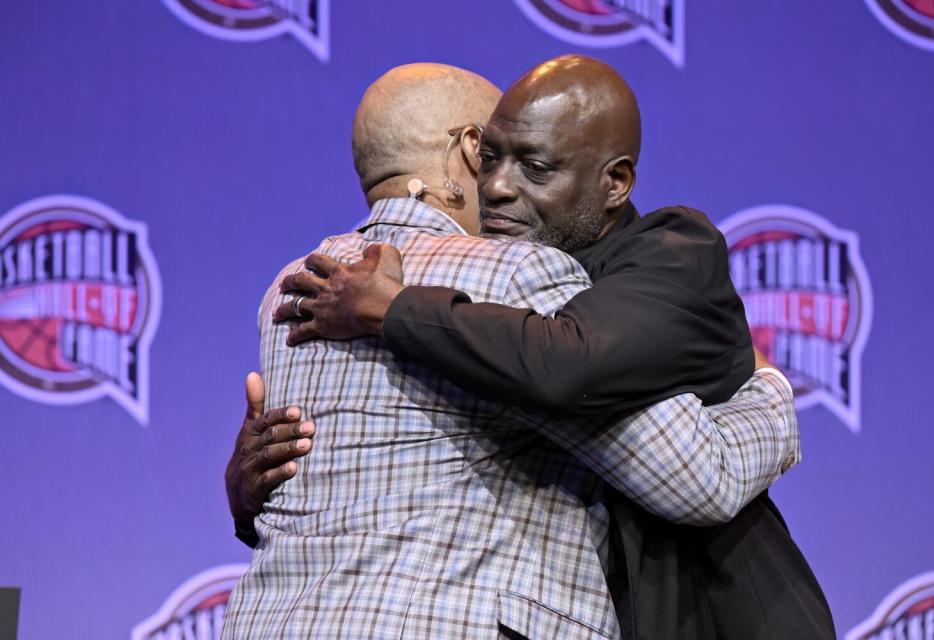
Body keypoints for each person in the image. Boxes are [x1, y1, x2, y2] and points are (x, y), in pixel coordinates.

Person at [221, 62, 800, 639]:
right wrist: (771, 393)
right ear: (470, 150)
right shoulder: (518, 274)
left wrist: (244, 496)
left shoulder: (291, 288)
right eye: (494, 155)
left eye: (534, 164)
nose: (500, 185)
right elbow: (697, 478)